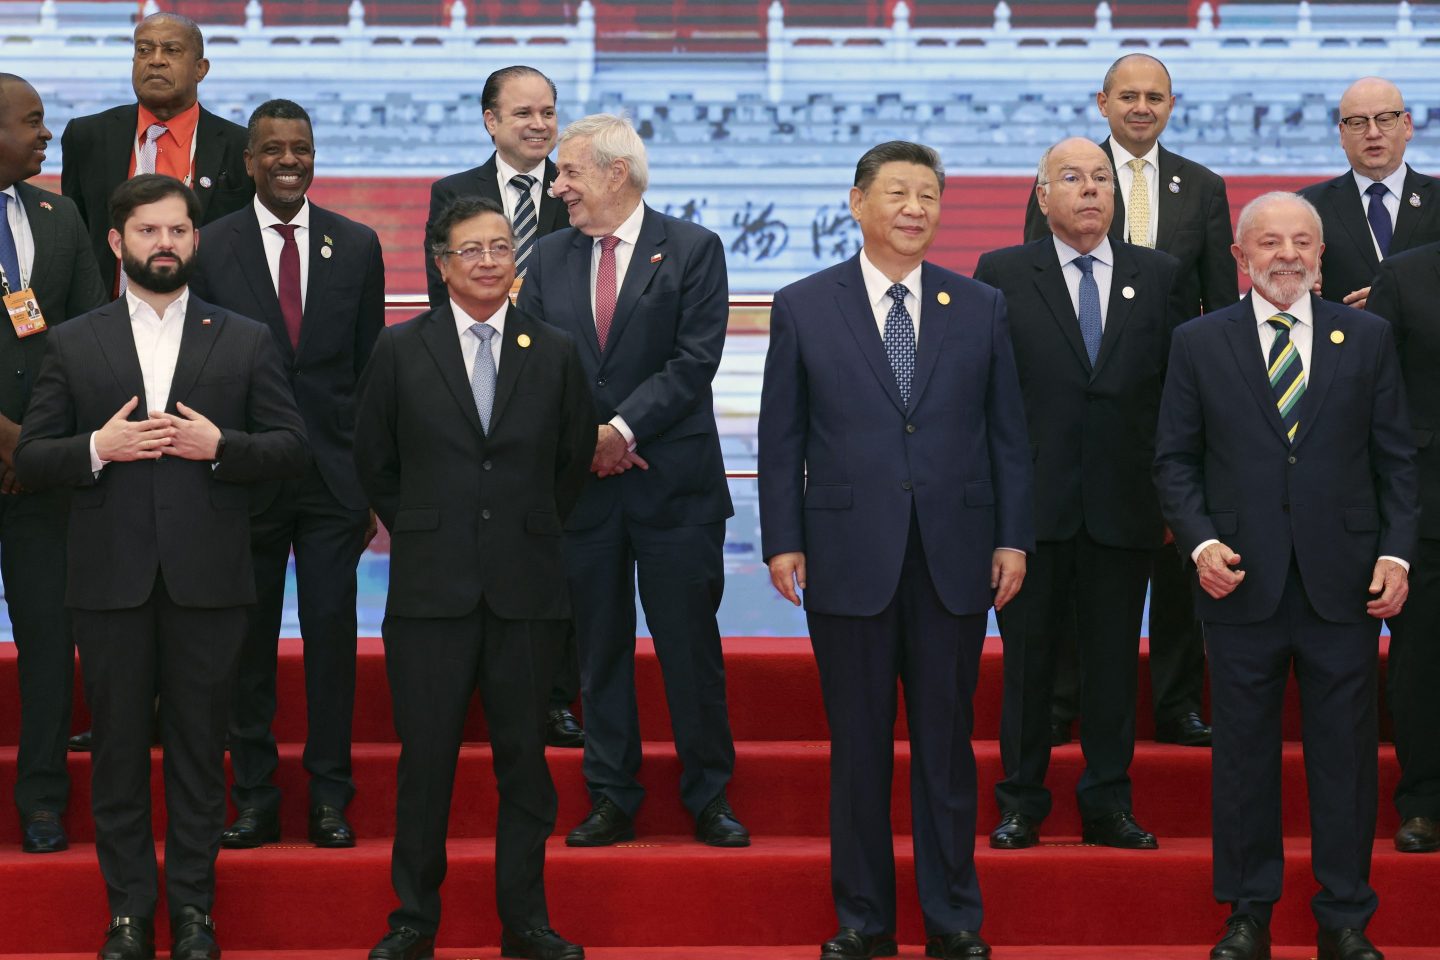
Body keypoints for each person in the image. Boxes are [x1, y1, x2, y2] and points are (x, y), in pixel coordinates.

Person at [14, 173, 307, 960]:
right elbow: (34, 458)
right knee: (114, 757)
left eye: (178, 230)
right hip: (108, 582)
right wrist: (93, 450)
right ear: (117, 242)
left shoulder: (242, 337)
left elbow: (291, 448)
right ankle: (128, 916)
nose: (165, 244)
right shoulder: (75, 340)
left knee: (198, 755)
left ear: (195, 239)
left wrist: (225, 449)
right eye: (148, 231)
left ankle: (195, 912)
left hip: (209, 582)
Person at [759, 140, 1032, 960]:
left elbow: (1009, 436)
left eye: (928, 195)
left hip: (955, 554)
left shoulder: (979, 305)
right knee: (860, 748)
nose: (915, 208)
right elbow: (783, 437)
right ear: (857, 203)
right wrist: (782, 541)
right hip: (846, 554)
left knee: (947, 749)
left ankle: (953, 918)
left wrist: (1013, 535)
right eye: (898, 193)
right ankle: (863, 920)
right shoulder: (804, 304)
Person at [1154, 192, 1418, 960]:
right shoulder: (1199, 343)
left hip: (1343, 584)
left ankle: (1344, 915)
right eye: (1269, 242)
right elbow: (1173, 459)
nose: (1288, 254)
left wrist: (1397, 554)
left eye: (1303, 241)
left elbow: (1396, 458)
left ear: (1323, 254)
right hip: (1239, 583)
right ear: (1240, 257)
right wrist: (1199, 544)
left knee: (1344, 760)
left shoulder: (1366, 336)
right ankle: (1248, 912)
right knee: (1242, 759)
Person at [355, 196, 592, 960]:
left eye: (500, 247)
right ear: (440, 262)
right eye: (472, 250)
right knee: (425, 765)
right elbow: (377, 463)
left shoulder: (552, 350)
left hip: (527, 591)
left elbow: (569, 464)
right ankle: (412, 922)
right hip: (431, 591)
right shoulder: (399, 349)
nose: (489, 261)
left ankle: (526, 923)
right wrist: (431, 526)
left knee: (526, 766)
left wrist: (521, 525)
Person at [517, 114, 748, 849]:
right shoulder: (548, 256)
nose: (558, 187)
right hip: (583, 490)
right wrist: (583, 440)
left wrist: (618, 431)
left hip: (673, 487)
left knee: (688, 647)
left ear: (616, 173)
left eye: (569, 173)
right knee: (599, 651)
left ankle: (709, 794)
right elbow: (533, 363)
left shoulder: (692, 249)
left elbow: (694, 361)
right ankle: (611, 793)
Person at [189, 99, 384, 851]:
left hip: (334, 483)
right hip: (242, 477)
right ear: (248, 161)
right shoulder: (211, 246)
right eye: (272, 149)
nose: (288, 160)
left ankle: (331, 798)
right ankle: (255, 797)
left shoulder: (357, 245)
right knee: (247, 646)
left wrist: (369, 484)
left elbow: (371, 374)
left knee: (333, 642)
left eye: (299, 147)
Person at [1024, 53, 1234, 749]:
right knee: (1078, 561)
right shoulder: (1064, 174)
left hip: (1172, 407)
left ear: (1172, 105)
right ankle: (1063, 703)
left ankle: (1176, 703)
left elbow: (1220, 309)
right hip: (1082, 414)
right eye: (1128, 96)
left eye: (1155, 96)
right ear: (1104, 101)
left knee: (1178, 566)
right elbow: (1036, 292)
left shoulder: (1202, 187)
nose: (1142, 107)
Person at [976, 137, 1179, 852]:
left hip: (1126, 508)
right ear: (1042, 195)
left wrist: (1171, 502)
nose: (1090, 190)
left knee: (1113, 666)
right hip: (1031, 510)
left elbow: (1173, 396)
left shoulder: (1159, 275)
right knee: (1028, 666)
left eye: (1101, 178)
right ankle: (1021, 803)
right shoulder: (1000, 274)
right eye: (1073, 177)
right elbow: (987, 398)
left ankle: (1107, 804)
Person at [424, 64, 580, 748]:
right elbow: (441, 299)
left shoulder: (577, 191)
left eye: (548, 112)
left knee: (550, 550)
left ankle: (552, 696)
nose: (539, 124)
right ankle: (462, 692)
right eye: (523, 113)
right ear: (491, 121)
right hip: (470, 392)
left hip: (547, 389)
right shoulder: (452, 193)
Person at [0, 73, 106, 854]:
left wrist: (34, 443)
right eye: (32, 121)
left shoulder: (59, 213)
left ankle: (41, 798)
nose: (47, 134)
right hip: (16, 451)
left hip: (39, 474)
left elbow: (85, 343)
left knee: (46, 640)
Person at [61, 12, 252, 298]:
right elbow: (76, 237)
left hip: (206, 321)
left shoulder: (239, 145)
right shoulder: (87, 136)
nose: (156, 60)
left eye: (172, 50)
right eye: (144, 50)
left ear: (201, 69)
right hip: (107, 321)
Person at [1360, 244, 1440, 854]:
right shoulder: (1406, 274)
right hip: (1427, 508)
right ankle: (1423, 802)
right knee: (1421, 662)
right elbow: (1376, 400)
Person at [1299, 77, 1440, 311]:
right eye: (1358, 123)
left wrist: (1393, 298)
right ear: (1342, 134)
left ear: (1407, 125)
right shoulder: (1307, 207)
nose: (1373, 133)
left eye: (1385, 120)